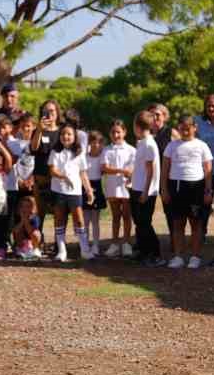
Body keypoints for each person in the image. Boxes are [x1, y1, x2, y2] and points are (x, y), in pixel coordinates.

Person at [162, 116, 213, 270]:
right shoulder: (171, 146)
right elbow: (165, 169)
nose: (185, 130)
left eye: (188, 127)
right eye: (182, 127)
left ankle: (195, 257)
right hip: (176, 187)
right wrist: (164, 189)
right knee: (177, 223)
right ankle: (178, 257)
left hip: (196, 187)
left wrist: (208, 191)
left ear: (195, 127)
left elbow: (208, 170)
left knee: (196, 223)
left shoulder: (202, 146)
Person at [46, 123, 93, 262]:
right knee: (59, 218)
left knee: (79, 219)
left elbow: (83, 173)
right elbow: (52, 170)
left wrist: (89, 190)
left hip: (75, 192)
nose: (65, 137)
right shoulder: (55, 152)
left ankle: (84, 249)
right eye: (63, 134)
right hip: (58, 190)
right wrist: (63, 177)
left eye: (69, 134)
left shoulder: (79, 153)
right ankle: (61, 250)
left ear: (74, 137)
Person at [129, 110, 162, 265]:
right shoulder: (141, 142)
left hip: (145, 190)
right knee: (139, 222)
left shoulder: (149, 144)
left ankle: (155, 253)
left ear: (138, 126)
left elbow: (150, 171)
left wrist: (145, 192)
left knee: (144, 223)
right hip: (136, 187)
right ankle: (143, 251)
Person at [100, 119, 135, 257]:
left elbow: (133, 168)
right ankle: (114, 244)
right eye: (113, 132)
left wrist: (128, 172)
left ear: (124, 132)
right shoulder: (106, 150)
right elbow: (105, 168)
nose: (116, 135)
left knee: (127, 215)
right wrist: (121, 170)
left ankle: (126, 243)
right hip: (112, 186)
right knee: (116, 216)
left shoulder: (132, 150)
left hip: (126, 187)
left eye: (118, 132)